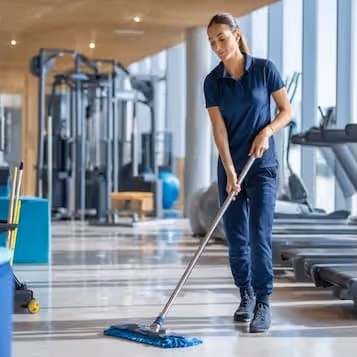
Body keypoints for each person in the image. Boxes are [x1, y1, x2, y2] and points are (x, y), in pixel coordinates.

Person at [203, 12, 292, 333]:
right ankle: (246, 295)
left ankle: (264, 302)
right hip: (230, 166)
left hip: (262, 167)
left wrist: (266, 132)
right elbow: (219, 130)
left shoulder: (265, 69)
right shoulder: (213, 82)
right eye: (212, 42)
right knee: (236, 238)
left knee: (259, 235)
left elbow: (286, 111)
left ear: (237, 35)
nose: (217, 46)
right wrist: (228, 169)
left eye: (222, 39)